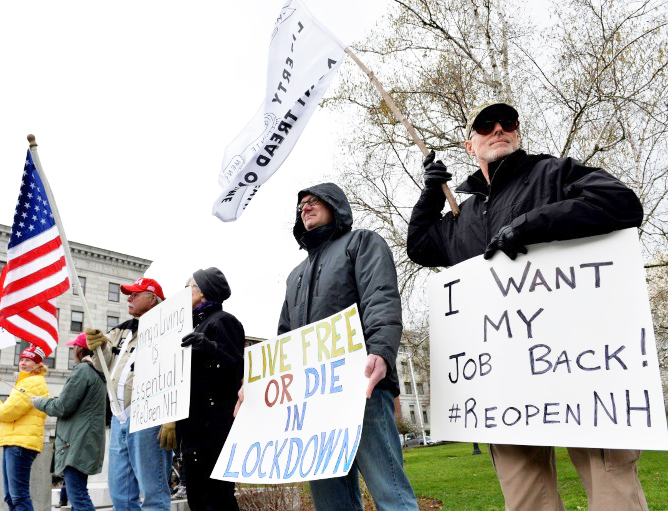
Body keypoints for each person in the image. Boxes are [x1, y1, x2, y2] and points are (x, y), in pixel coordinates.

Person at [406, 101, 645, 511]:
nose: (498, 128)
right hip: (505, 383)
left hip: (582, 364)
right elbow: (420, 245)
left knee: (612, 485)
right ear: (470, 145)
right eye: (485, 125)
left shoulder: (551, 173)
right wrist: (430, 195)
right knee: (525, 494)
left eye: (507, 122)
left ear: (516, 133)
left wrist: (532, 225)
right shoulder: (461, 217)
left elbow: (622, 203)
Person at [272, 183, 419, 510]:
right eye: (301, 206)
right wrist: (260, 387)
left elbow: (380, 298)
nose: (305, 208)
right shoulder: (295, 276)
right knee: (330, 502)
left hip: (362, 388)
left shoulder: (362, 243)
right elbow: (284, 340)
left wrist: (381, 350)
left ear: (334, 205)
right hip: (314, 402)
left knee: (390, 492)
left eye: (312, 202)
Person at [85, 277, 172, 511]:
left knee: (154, 492)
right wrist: (98, 346)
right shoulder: (122, 329)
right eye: (128, 294)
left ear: (152, 298)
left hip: (149, 416)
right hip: (119, 416)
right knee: (120, 493)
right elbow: (103, 364)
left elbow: (177, 371)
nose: (129, 298)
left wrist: (171, 417)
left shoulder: (172, 324)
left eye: (135, 294)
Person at [162, 268, 244, 511]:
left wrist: (209, 348)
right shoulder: (193, 326)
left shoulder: (223, 321)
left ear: (204, 292)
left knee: (217, 498)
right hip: (195, 426)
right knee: (198, 497)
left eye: (189, 287)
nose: (184, 293)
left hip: (213, 428)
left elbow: (236, 367)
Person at [31, 332, 106, 511]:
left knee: (78, 495)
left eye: (74, 347)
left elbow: (62, 407)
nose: (72, 350)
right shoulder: (96, 372)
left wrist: (38, 401)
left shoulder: (82, 370)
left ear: (79, 349)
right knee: (77, 495)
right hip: (84, 440)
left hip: (76, 442)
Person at [0, 344, 50, 511]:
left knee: (18, 496)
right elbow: (12, 409)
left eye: (28, 360)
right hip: (14, 441)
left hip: (20, 443)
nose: (23, 363)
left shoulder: (33, 383)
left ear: (38, 365)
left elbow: (9, 413)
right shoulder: (26, 382)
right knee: (11, 496)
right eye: (21, 360)